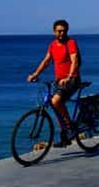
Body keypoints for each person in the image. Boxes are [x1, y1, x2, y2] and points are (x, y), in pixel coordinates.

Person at [27, 19, 81, 147]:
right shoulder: (52, 45)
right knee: (54, 104)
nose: (61, 33)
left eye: (64, 31)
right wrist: (35, 74)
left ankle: (70, 126)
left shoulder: (71, 43)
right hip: (59, 81)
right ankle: (65, 136)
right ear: (54, 31)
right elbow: (46, 61)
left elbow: (75, 60)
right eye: (59, 31)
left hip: (72, 80)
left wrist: (69, 76)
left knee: (56, 101)